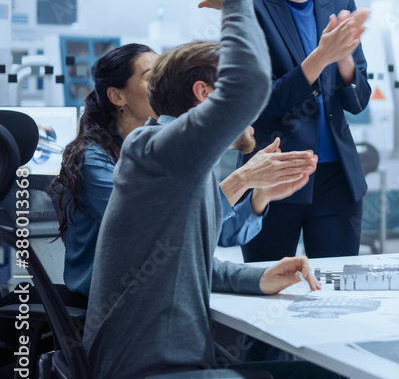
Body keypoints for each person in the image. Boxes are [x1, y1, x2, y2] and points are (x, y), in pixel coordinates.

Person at [83, 0, 342, 379]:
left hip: (183, 371)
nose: (253, 116)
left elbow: (194, 265)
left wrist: (259, 278)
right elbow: (250, 86)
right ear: (205, 95)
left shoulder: (177, 162)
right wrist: (232, 0)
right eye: (233, 102)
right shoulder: (156, 149)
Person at [50, 45, 316, 299]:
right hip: (114, 300)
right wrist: (241, 179)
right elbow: (156, 231)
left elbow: (214, 234)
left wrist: (259, 196)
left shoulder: (179, 151)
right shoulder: (95, 158)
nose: (159, 84)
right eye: (151, 77)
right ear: (118, 96)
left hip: (164, 287)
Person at [240, 0, 371, 262]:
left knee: (336, 289)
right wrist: (320, 58)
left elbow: (358, 101)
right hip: (274, 173)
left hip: (337, 180)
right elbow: (258, 106)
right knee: (267, 291)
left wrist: (344, 60)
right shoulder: (247, 4)